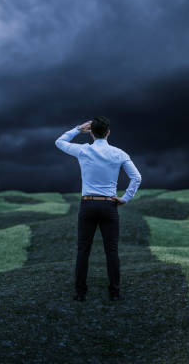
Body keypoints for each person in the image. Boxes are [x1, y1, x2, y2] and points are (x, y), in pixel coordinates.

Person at [55, 116, 142, 302]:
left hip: (88, 204)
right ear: (108, 132)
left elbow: (59, 142)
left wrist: (78, 129)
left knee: (83, 250)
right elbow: (137, 178)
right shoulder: (119, 153)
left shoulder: (83, 150)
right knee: (111, 251)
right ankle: (115, 293)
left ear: (91, 133)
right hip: (109, 205)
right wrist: (125, 198)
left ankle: (80, 293)